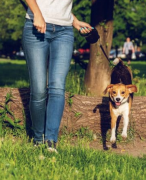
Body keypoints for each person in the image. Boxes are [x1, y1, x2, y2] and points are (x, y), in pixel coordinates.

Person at [22, 0, 92, 152]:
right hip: (36, 27)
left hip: (64, 32)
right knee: (39, 89)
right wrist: (37, 14)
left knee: (57, 87)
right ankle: (38, 138)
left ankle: (51, 140)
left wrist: (75, 21)